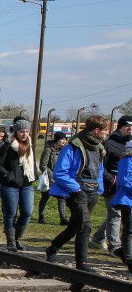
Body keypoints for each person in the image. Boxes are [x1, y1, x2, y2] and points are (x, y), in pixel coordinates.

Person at [47, 115, 109, 270]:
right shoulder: (73, 147)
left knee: (75, 226)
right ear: (96, 130)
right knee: (85, 226)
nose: (107, 133)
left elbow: (99, 171)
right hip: (77, 192)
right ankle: (82, 264)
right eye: (105, 130)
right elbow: (60, 172)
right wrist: (77, 189)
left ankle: (53, 248)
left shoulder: (99, 148)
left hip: (93, 191)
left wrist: (99, 189)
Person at [0, 119, 37, 251]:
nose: (24, 134)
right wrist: (8, 176)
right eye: (22, 131)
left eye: (27, 131)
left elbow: (32, 162)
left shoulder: (29, 144)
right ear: (16, 131)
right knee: (10, 213)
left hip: (26, 184)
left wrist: (34, 174)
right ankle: (11, 241)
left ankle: (18, 238)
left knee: (27, 212)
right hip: (10, 184)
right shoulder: (8, 145)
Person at [92, 116, 132, 254]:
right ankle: (115, 246)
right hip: (112, 183)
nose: (130, 128)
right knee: (115, 214)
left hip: (127, 184)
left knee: (118, 213)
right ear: (119, 127)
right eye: (127, 125)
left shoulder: (130, 142)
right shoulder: (109, 143)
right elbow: (102, 165)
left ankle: (98, 237)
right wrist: (110, 179)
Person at [107, 144, 132, 271]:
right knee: (129, 230)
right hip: (128, 200)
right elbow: (126, 182)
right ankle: (128, 258)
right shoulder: (127, 160)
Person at [38, 132, 69, 225]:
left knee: (62, 197)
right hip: (49, 178)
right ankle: (41, 216)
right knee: (45, 197)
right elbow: (43, 165)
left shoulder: (64, 150)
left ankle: (63, 218)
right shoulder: (48, 150)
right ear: (57, 140)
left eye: (65, 139)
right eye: (61, 139)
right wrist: (51, 175)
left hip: (60, 178)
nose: (63, 141)